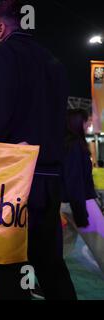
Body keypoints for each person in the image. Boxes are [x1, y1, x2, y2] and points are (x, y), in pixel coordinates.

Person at [0, 0, 76, 299]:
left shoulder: (3, 54)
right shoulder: (52, 61)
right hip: (50, 179)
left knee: (6, 264)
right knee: (50, 265)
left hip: (16, 181)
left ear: (2, 28)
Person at [62, 109, 104, 272]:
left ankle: (46, 281)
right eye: (87, 121)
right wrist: (81, 213)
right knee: (100, 244)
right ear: (79, 123)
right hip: (80, 203)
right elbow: (75, 181)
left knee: (62, 247)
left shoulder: (66, 144)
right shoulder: (75, 146)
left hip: (67, 203)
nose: (89, 125)